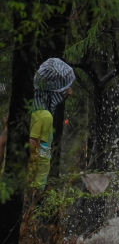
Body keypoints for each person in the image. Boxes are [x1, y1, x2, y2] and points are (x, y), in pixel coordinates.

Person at [28, 57, 75, 191]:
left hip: (36, 182)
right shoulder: (45, 116)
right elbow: (32, 144)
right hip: (34, 183)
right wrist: (31, 177)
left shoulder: (35, 111)